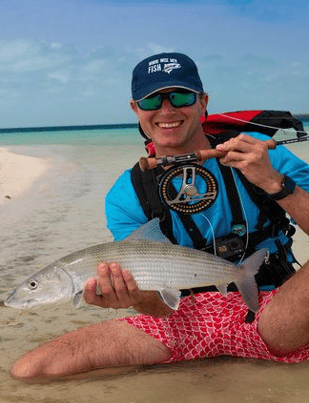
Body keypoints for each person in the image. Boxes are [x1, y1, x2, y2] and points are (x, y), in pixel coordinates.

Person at [11, 52, 309, 382]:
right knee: (29, 371)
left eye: (180, 96)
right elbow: (161, 308)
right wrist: (135, 297)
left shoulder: (262, 155)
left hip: (274, 312)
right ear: (135, 108)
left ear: (202, 102)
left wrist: (274, 183)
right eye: (152, 99)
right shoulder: (126, 194)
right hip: (179, 322)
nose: (166, 110)